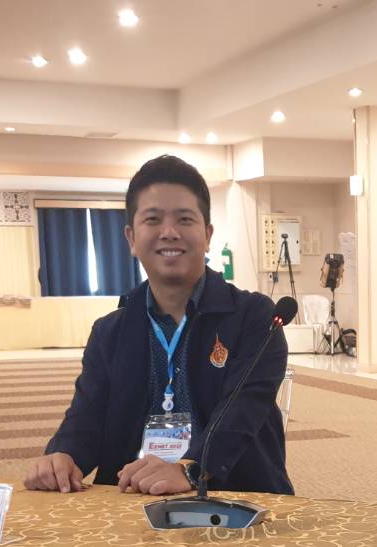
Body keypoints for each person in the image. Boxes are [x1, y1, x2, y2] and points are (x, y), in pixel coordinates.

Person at [26, 155, 291, 496]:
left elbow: (241, 413)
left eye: (185, 219)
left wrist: (191, 469)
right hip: (131, 496)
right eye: (153, 219)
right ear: (131, 238)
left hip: (233, 498)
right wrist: (64, 454)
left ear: (207, 235)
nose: (169, 233)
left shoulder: (255, 317)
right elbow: (88, 415)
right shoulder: (109, 332)